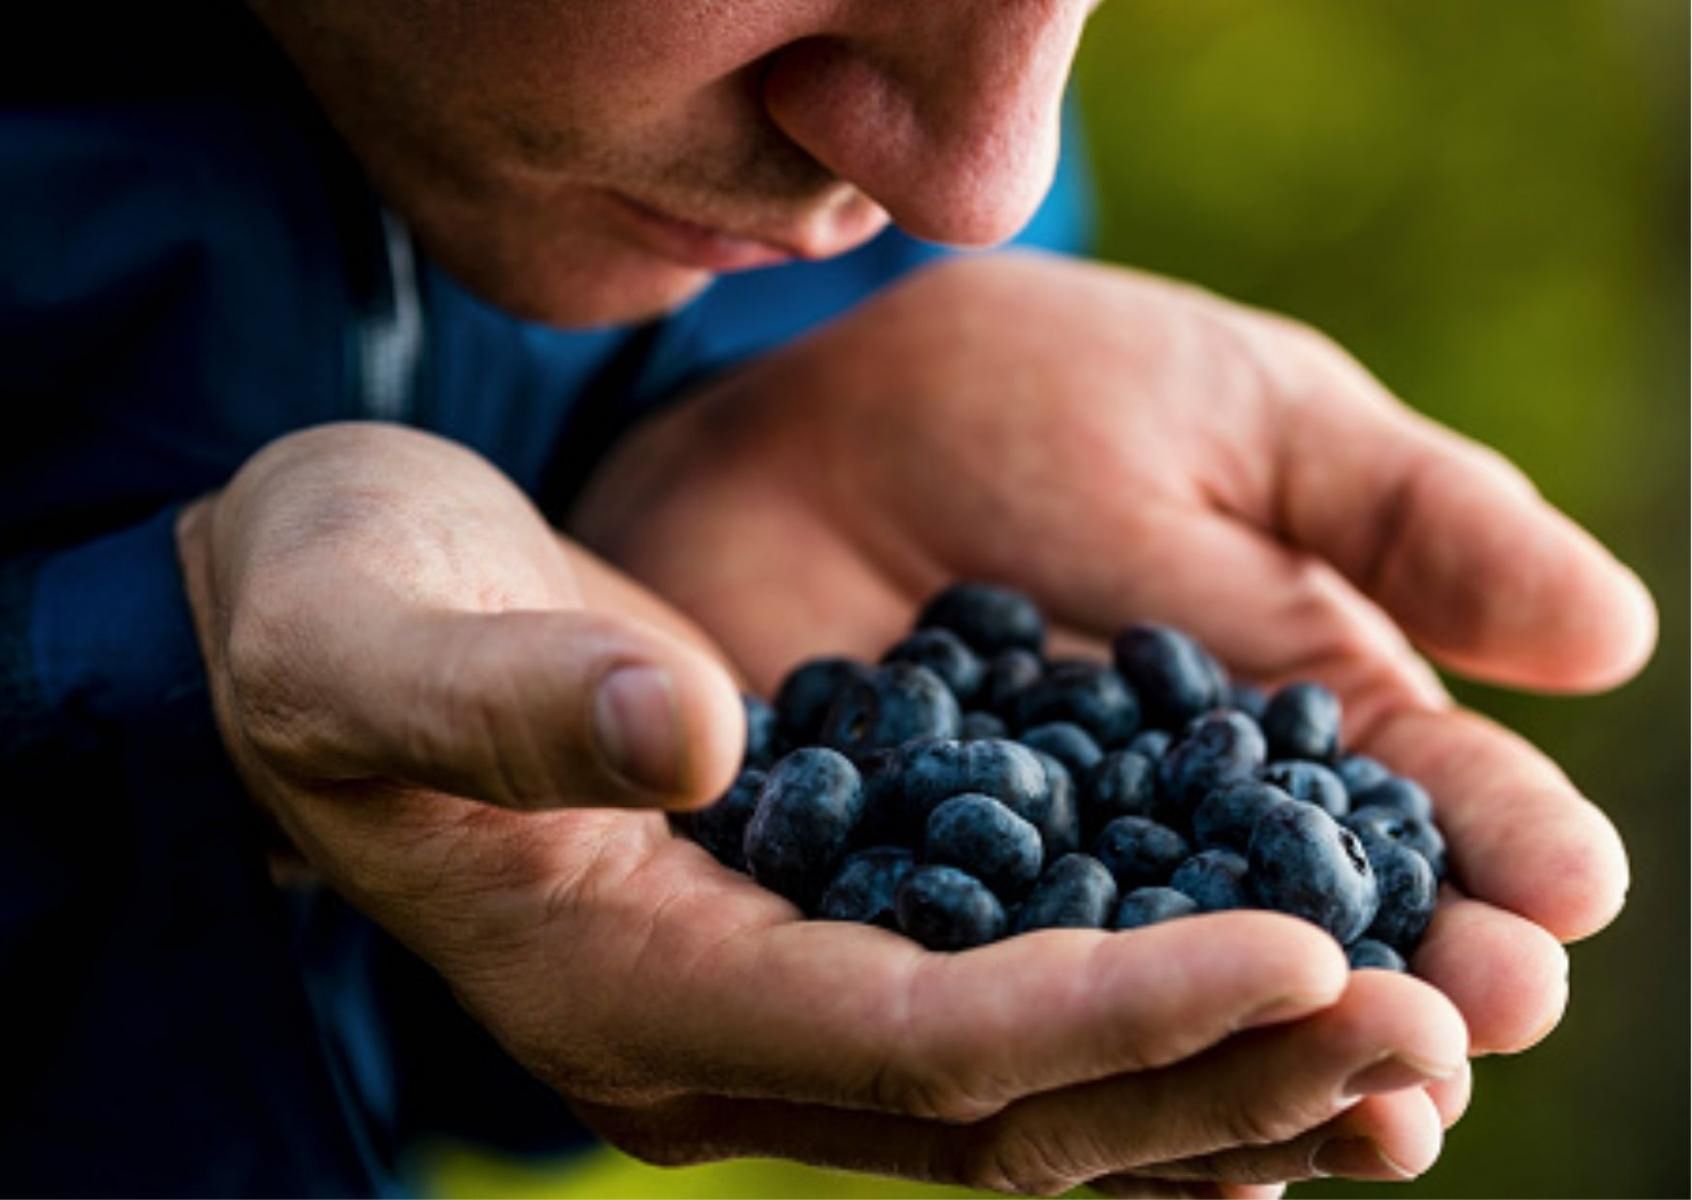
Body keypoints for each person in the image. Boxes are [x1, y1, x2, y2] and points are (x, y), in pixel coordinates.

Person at [0, 2, 1654, 1196]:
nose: (982, 187)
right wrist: (157, 674)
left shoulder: (804, 224)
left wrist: (418, 824)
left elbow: (369, 1057)